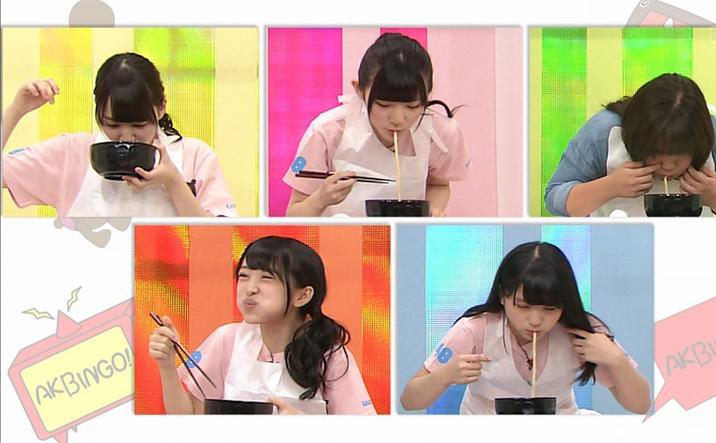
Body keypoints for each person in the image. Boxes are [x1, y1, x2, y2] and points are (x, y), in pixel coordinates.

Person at [400, 242, 650, 414]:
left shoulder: (584, 332)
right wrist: (443, 376)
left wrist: (617, 360)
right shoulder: (475, 329)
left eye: (550, 308)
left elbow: (640, 405)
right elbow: (409, 400)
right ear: (502, 295)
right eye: (523, 306)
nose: (535, 320)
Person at [149, 236, 376, 415]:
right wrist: (167, 365)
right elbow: (190, 416)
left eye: (267, 278)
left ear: (303, 295)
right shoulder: (226, 339)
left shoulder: (330, 355)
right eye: (244, 276)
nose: (250, 289)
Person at [2, 52, 237, 217]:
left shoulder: (195, 157)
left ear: (161, 107)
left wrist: (174, 181)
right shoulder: (72, 153)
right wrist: (16, 110)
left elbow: (221, 245)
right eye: (113, 126)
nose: (126, 138)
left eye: (139, 125)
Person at [283, 32, 471, 217]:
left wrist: (435, 211)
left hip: (404, 235)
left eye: (412, 106)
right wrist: (321, 199)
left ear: (428, 93)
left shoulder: (441, 133)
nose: (398, 119)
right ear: (359, 89)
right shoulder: (326, 131)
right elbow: (293, 215)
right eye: (384, 105)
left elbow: (438, 184)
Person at [544, 73, 716, 217]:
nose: (667, 166)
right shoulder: (603, 132)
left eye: (679, 156)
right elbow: (554, 199)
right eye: (656, 153)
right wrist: (610, 186)